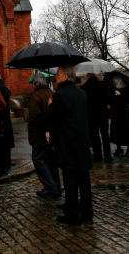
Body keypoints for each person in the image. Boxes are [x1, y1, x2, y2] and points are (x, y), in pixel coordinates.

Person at [48, 65, 93, 226]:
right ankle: (87, 214)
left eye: (59, 74)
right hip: (82, 142)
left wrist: (50, 105)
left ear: (66, 76)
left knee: (70, 180)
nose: (56, 76)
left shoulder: (60, 95)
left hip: (67, 143)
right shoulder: (81, 93)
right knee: (84, 181)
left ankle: (72, 214)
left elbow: (53, 119)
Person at [27, 69, 61, 199]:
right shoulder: (51, 93)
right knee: (51, 161)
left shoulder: (35, 96)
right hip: (51, 132)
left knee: (38, 159)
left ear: (36, 83)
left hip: (39, 134)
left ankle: (50, 186)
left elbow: (34, 116)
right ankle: (56, 186)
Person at [81, 73, 112, 162]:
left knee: (94, 135)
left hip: (91, 114)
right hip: (103, 113)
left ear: (88, 76)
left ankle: (98, 155)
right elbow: (109, 99)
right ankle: (108, 155)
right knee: (105, 135)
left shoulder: (84, 87)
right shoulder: (103, 85)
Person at [0, 71, 15, 176]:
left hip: (2, 121)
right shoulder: (3, 88)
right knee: (5, 146)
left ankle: (4, 166)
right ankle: (6, 164)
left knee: (3, 146)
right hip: (5, 121)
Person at [109, 74, 129, 158]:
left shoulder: (127, 89)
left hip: (124, 114)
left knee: (126, 131)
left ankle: (128, 149)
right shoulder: (113, 89)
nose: (113, 82)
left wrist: (120, 95)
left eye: (114, 81)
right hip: (117, 114)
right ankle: (119, 148)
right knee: (117, 132)